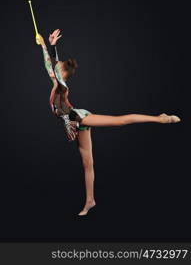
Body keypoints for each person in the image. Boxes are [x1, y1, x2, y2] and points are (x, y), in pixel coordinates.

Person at [38, 29, 181, 216]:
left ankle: (160, 118)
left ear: (62, 75)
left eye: (58, 69)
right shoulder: (59, 79)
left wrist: (43, 45)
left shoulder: (61, 84)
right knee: (88, 163)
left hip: (79, 117)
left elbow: (50, 65)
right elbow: (54, 64)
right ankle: (90, 200)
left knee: (118, 121)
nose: (55, 69)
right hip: (75, 123)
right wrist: (51, 44)